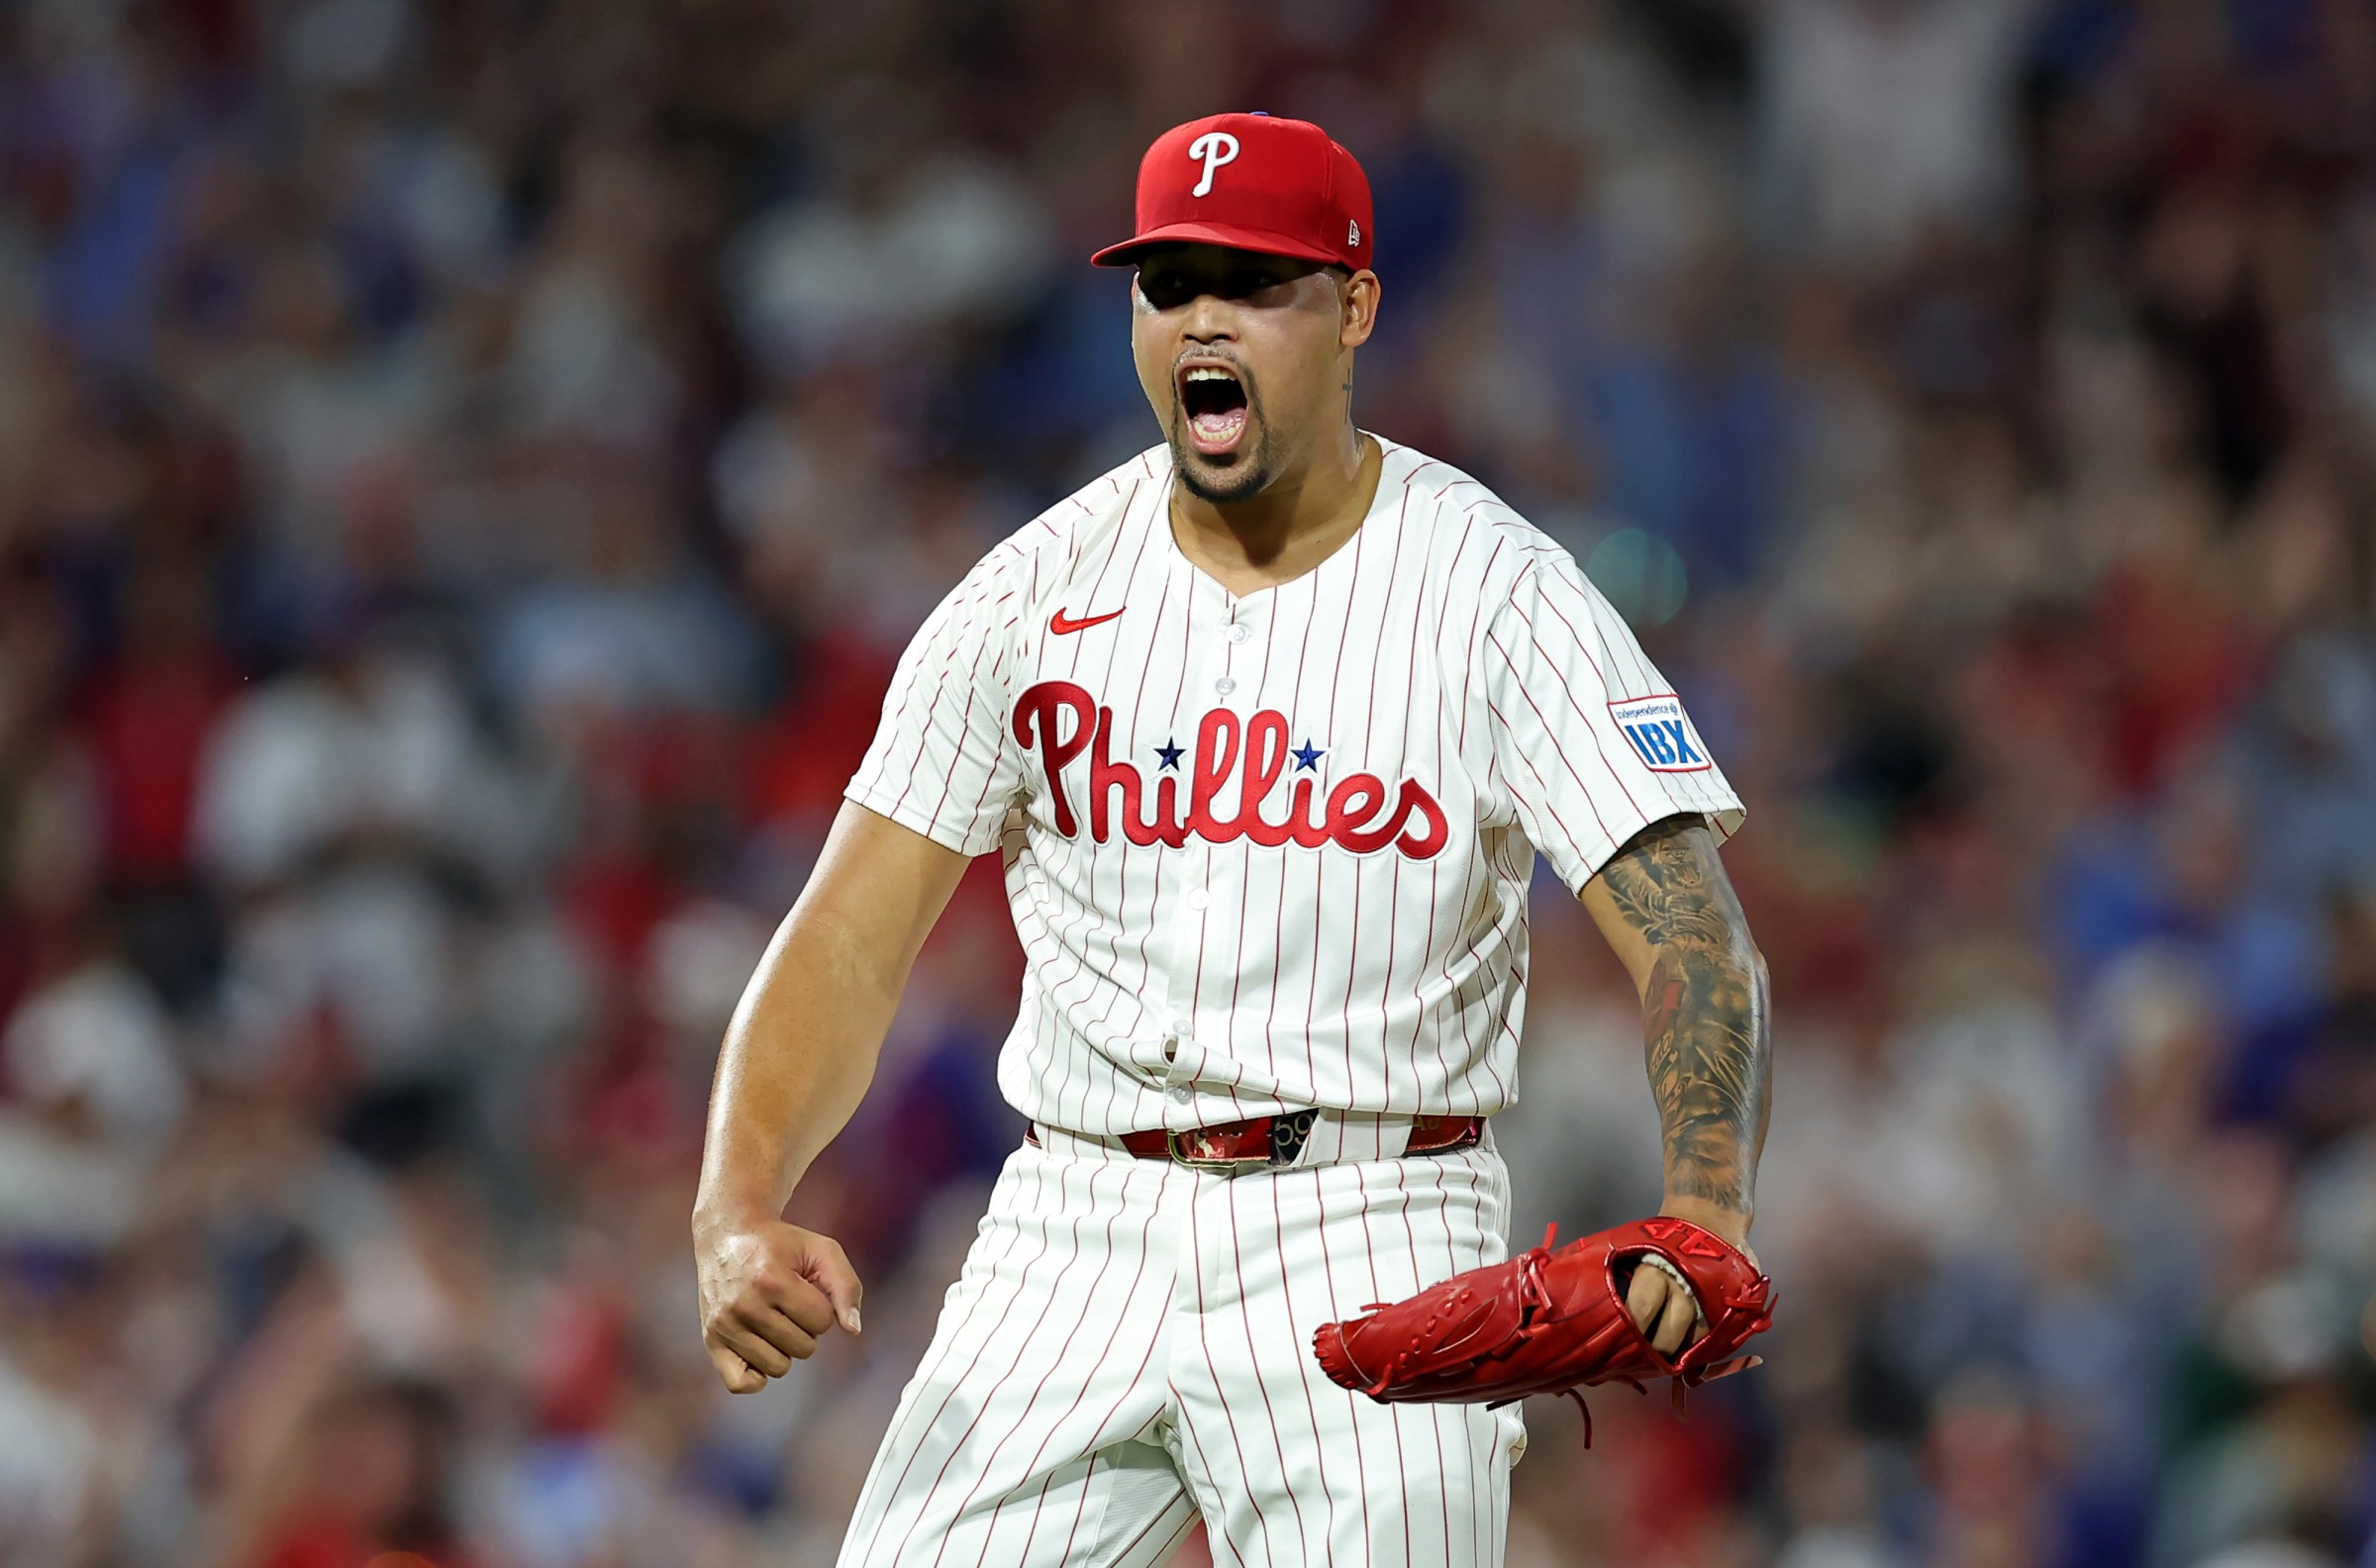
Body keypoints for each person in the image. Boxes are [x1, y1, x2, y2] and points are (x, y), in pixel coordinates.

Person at [692, 111, 1772, 1568]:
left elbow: (1691, 929)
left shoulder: (1499, 594)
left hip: (1376, 1215)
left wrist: (1706, 1203)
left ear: (1355, 310)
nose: (1205, 319)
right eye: (1169, 282)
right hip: (1072, 1217)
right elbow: (846, 933)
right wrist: (736, 1203)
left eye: (1257, 283)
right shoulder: (1030, 596)